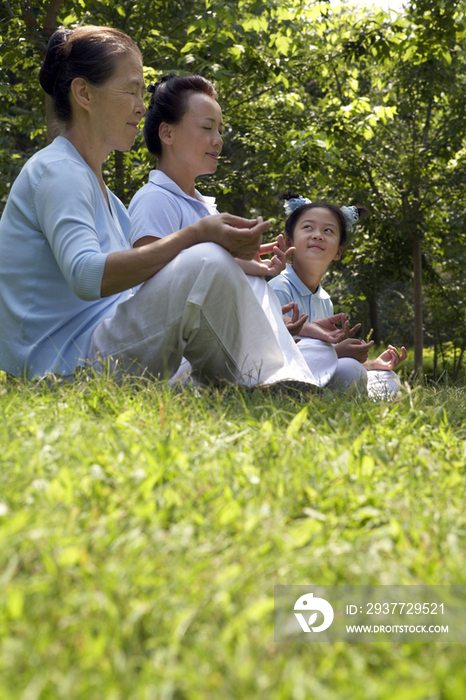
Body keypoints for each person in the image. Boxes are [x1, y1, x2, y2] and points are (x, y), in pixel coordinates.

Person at [0, 26, 329, 388]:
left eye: (143, 92)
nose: (142, 107)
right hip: (65, 366)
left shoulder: (106, 196)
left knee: (219, 268)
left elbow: (143, 287)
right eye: (131, 90)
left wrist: (234, 267)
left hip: (99, 349)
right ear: (84, 94)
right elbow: (86, 275)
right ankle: (274, 386)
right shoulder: (57, 170)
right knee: (207, 259)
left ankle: (280, 382)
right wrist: (198, 236)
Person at [128, 74, 351, 385]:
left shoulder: (205, 207)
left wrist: (256, 267)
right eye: (206, 128)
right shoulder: (155, 199)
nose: (218, 140)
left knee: (322, 351)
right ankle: (267, 376)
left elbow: (217, 267)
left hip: (215, 334)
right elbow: (151, 272)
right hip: (173, 341)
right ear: (167, 132)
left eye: (219, 130)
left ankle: (275, 374)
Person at [269, 196, 407, 396]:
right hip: (284, 376)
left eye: (328, 230)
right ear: (289, 242)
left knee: (389, 379)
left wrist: (373, 364)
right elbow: (270, 353)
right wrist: (337, 353)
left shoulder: (325, 300)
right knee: (351, 370)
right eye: (308, 227)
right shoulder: (280, 288)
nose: (318, 235)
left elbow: (330, 359)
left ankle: (356, 388)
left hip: (319, 374)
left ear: (338, 251)